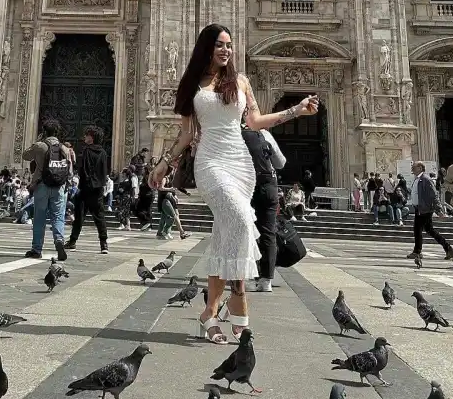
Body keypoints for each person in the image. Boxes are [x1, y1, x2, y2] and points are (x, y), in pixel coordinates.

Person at [148, 23, 319, 345]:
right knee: (241, 221)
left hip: (241, 164)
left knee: (226, 235)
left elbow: (254, 122)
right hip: (211, 162)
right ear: (206, 48)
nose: (226, 50)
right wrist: (163, 164)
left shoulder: (240, 81)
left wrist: (296, 110)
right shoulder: (192, 84)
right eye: (219, 45)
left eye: (229, 44)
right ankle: (239, 300)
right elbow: (186, 134)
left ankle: (210, 312)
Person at [22, 118, 71, 260]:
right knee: (58, 217)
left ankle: (36, 249)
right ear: (57, 132)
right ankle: (59, 240)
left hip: (42, 185)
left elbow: (25, 155)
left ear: (44, 131)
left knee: (39, 218)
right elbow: (69, 170)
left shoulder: (40, 146)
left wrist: (37, 141)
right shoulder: (65, 149)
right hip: (58, 187)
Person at [241, 125, 280, 293]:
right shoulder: (265, 135)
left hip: (248, 186)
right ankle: (266, 280)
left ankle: (248, 277)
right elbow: (280, 163)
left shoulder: (237, 134)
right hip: (269, 187)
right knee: (268, 233)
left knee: (247, 230)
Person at [65, 125, 110, 254]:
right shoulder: (103, 152)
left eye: (87, 135)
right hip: (98, 189)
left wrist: (83, 185)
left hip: (86, 188)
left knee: (79, 216)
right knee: (99, 217)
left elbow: (83, 170)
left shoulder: (87, 151)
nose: (85, 137)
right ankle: (104, 244)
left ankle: (73, 241)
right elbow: (104, 171)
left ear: (92, 137)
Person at [406, 161, 453, 261]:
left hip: (424, 210)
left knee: (418, 230)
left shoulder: (426, 179)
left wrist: (439, 210)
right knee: (429, 230)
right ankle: (448, 248)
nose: (412, 169)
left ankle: (417, 252)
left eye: (414, 167)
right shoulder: (418, 179)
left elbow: (433, 196)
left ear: (420, 168)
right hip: (419, 209)